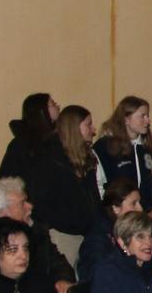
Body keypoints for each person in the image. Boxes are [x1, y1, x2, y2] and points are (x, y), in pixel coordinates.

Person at [27, 105, 99, 268]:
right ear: (74, 127)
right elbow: (41, 204)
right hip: (63, 236)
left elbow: (93, 197)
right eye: (88, 124)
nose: (93, 129)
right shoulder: (48, 160)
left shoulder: (85, 158)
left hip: (87, 234)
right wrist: (69, 223)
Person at [93, 97, 152, 209]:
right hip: (121, 214)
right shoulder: (104, 147)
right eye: (142, 116)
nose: (148, 121)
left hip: (150, 212)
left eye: (147, 116)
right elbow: (98, 184)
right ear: (126, 119)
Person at [0, 93, 57, 182]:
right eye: (53, 104)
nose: (58, 106)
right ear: (41, 111)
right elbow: (5, 180)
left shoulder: (57, 138)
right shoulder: (19, 145)